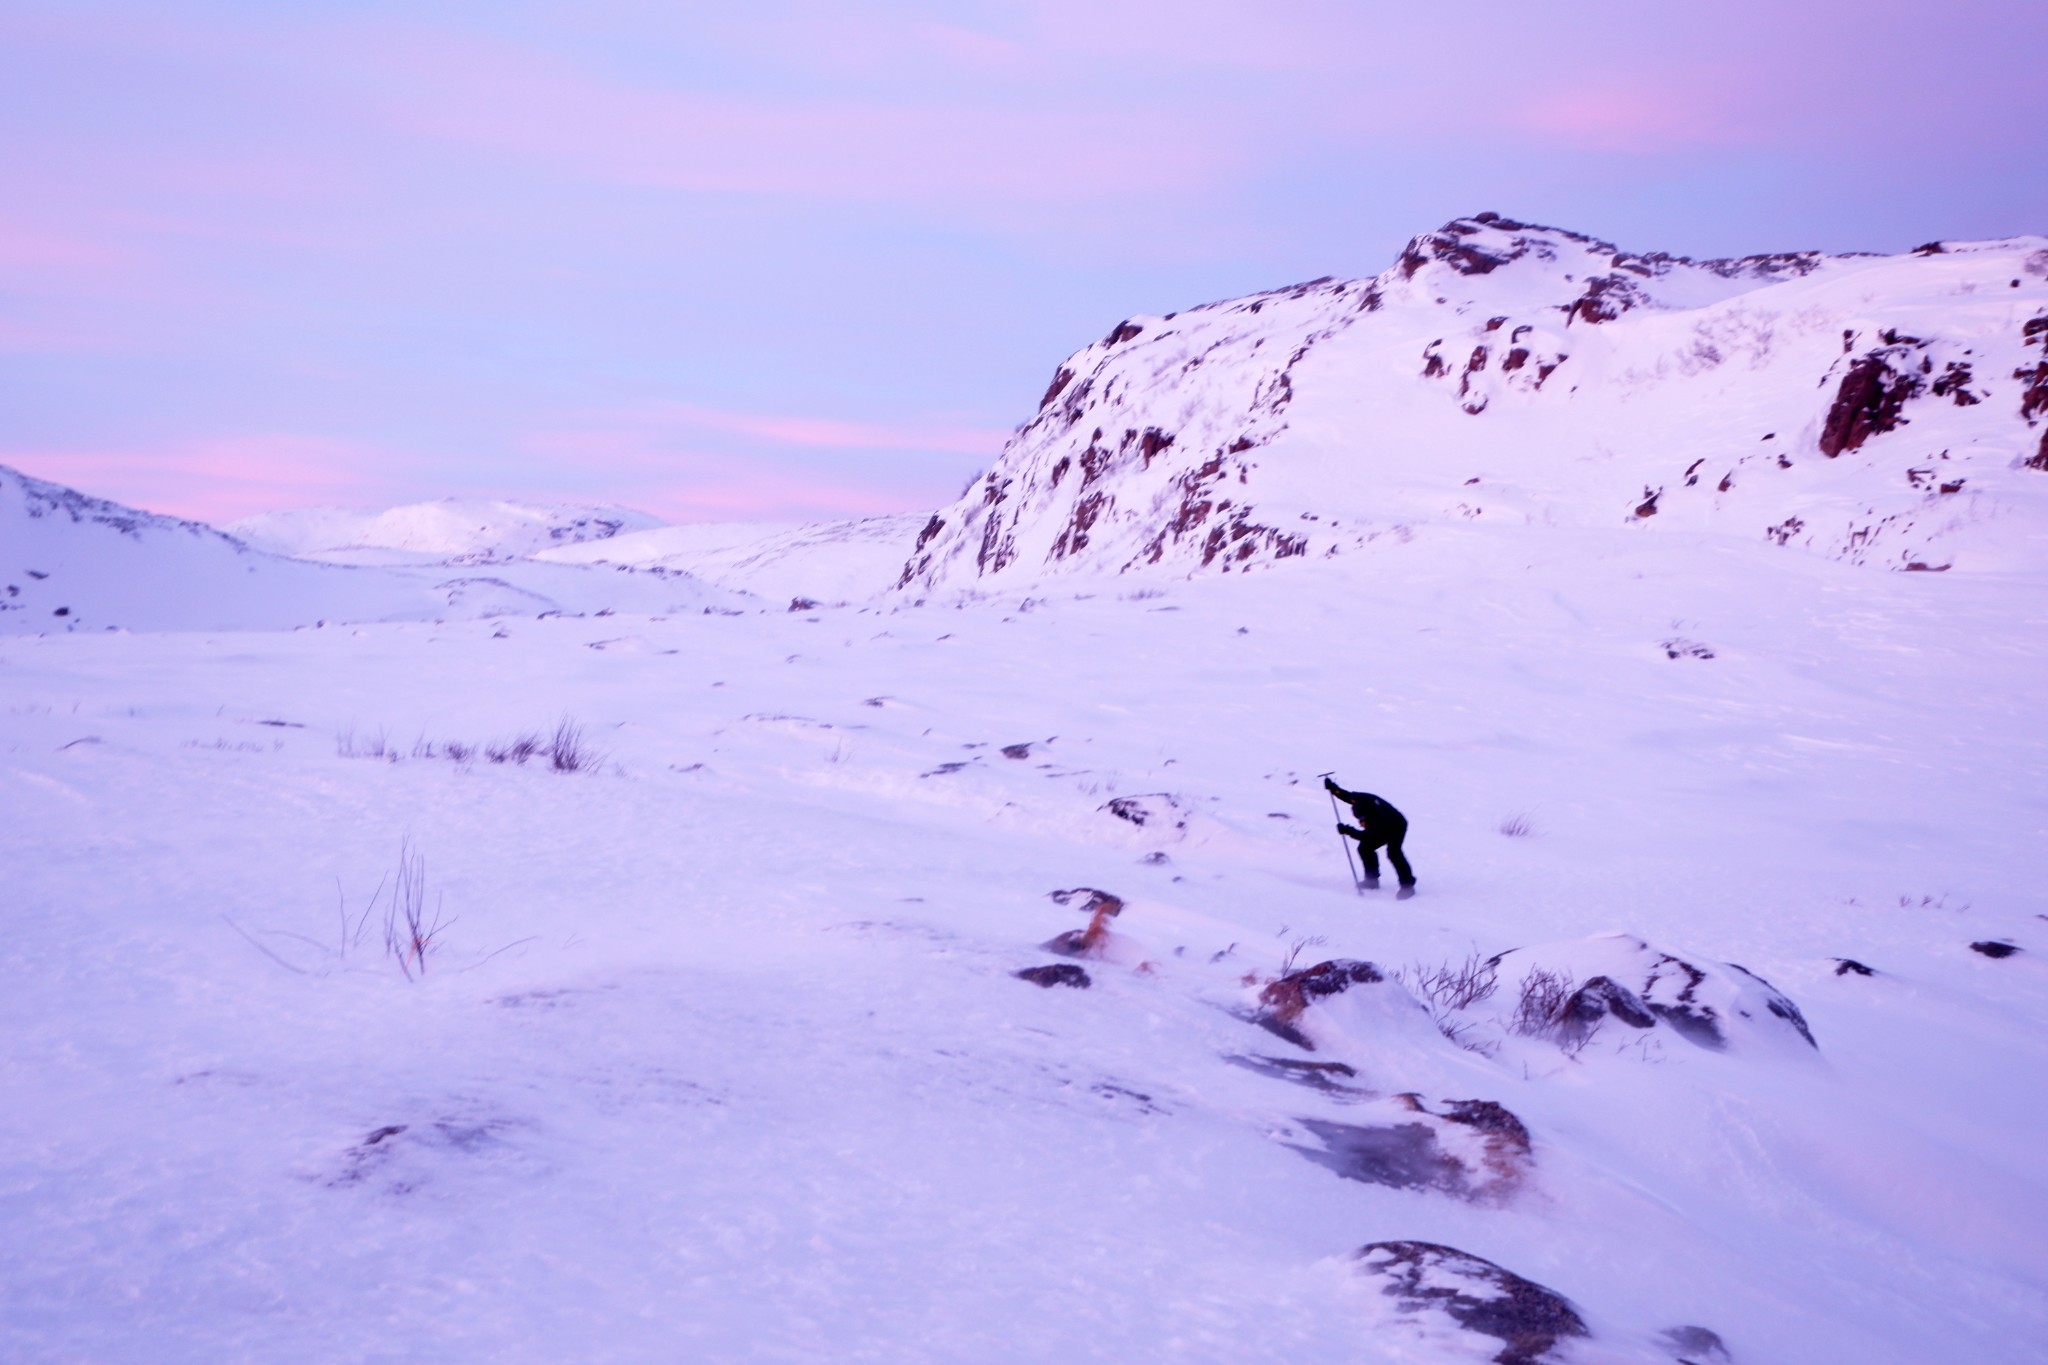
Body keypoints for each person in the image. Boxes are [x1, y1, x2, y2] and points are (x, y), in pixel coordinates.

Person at [1323, 777, 1416, 898]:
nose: (1361, 823)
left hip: (1396, 825)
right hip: (1382, 825)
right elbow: (1347, 796)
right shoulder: (1360, 799)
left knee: (1394, 853)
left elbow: (1366, 836)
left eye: (1363, 819)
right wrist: (1334, 789)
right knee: (1365, 849)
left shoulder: (1378, 819)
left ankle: (1408, 886)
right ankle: (1372, 881)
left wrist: (1347, 830)